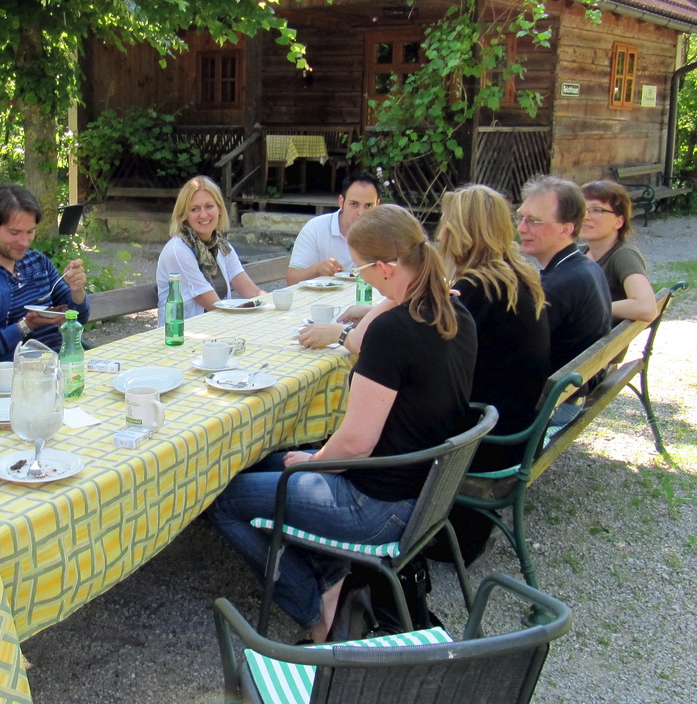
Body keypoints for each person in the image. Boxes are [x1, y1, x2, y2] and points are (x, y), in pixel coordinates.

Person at [208, 204, 476, 642]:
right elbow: (372, 329)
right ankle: (334, 575)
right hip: (421, 490)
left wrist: (314, 461)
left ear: (386, 268)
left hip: (378, 505)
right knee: (260, 463)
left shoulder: (394, 331)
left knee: (222, 497)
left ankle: (319, 612)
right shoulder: (454, 310)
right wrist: (395, 292)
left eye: (360, 267)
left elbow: (354, 444)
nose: (357, 274)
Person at [438, 184, 550, 456]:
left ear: (462, 233)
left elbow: (432, 363)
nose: (439, 235)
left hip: (488, 440)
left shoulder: (477, 288)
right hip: (517, 426)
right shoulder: (515, 276)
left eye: (445, 224)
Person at [0, 184, 88, 366]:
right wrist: (26, 326)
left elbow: (79, 318)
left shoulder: (38, 262)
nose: (24, 242)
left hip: (57, 365)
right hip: (11, 376)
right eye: (14, 233)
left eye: (30, 232)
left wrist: (77, 291)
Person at [516, 175, 611, 370]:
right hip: (576, 380)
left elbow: (517, 353)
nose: (521, 228)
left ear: (565, 230)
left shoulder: (558, 286)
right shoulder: (586, 267)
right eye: (521, 217)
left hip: (557, 387)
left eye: (533, 221)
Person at [155, 175, 264, 322]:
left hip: (217, 326)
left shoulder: (222, 247)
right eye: (194, 209)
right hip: (183, 332)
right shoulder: (178, 250)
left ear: (219, 209)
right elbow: (215, 305)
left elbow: (252, 292)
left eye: (209, 206)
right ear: (184, 215)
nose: (203, 214)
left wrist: (271, 306)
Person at [284, 172, 382, 285]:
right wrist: (316, 269)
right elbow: (291, 280)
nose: (361, 213)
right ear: (341, 202)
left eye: (368, 206)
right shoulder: (316, 228)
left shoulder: (384, 233)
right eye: (354, 204)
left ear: (377, 205)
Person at [581, 179, 657, 322]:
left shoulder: (623, 255)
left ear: (619, 221)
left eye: (596, 210)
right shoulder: (578, 253)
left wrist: (589, 310)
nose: (585, 217)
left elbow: (646, 307)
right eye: (581, 209)